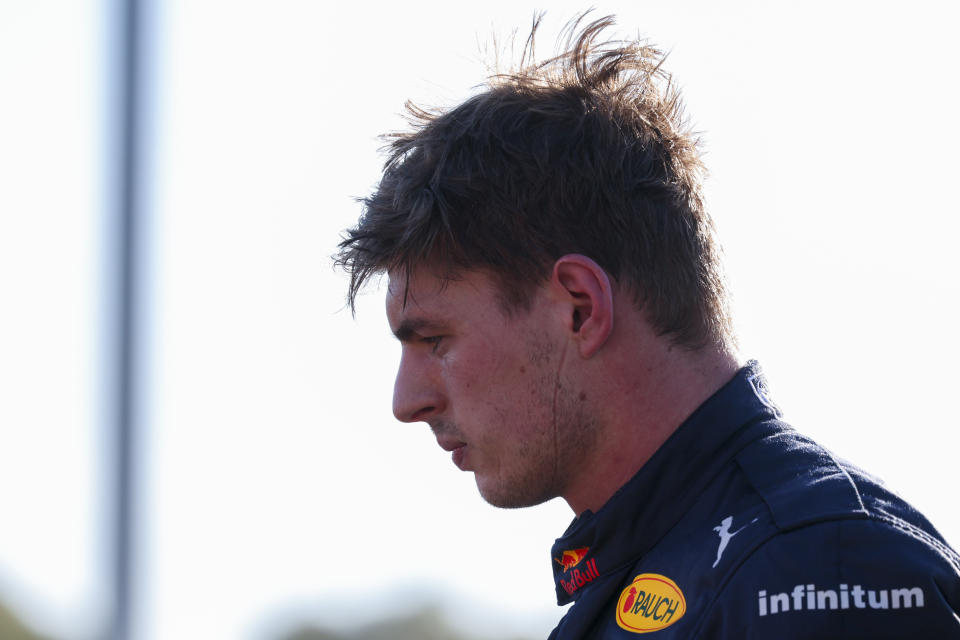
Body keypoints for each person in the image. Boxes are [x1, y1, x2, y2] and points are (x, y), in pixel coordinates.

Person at [335, 14, 960, 639]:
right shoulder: (679, 574)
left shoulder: (816, 572)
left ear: (580, 308)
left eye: (434, 340)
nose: (406, 402)